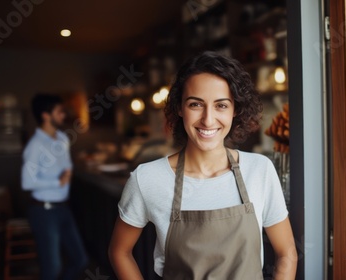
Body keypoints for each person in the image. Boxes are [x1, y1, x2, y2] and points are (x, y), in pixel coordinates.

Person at [109, 51, 297, 279]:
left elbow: (287, 252)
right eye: (196, 104)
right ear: (179, 108)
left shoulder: (260, 170)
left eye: (221, 106)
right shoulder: (148, 178)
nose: (208, 120)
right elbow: (119, 252)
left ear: (235, 109)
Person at [21, 93, 88, 280]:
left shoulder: (62, 138)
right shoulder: (35, 146)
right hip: (43, 211)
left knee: (80, 259)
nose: (63, 115)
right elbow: (27, 182)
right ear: (45, 115)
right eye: (59, 112)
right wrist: (57, 182)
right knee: (52, 268)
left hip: (63, 208)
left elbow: (65, 167)